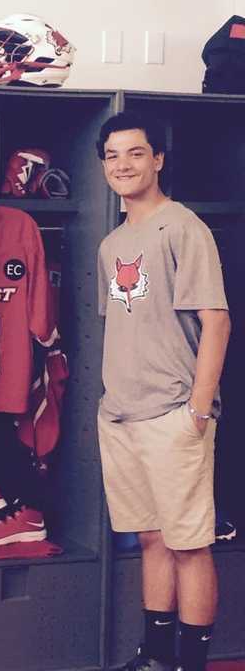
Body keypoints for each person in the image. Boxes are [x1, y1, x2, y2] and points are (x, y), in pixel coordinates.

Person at [96, 112, 231, 671]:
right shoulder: (112, 244)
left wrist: (197, 410)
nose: (123, 165)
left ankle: (189, 665)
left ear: (158, 160)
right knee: (152, 540)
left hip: (174, 413)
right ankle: (155, 659)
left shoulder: (182, 227)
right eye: (112, 156)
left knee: (189, 544)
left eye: (134, 153)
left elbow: (217, 321)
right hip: (122, 414)